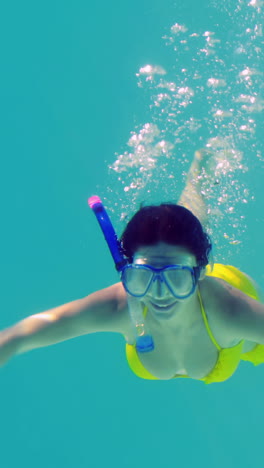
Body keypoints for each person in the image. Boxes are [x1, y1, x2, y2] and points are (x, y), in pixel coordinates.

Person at [1, 150, 264, 384]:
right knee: (179, 234)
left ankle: (197, 179)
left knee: (189, 223)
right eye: (143, 276)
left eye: (177, 277)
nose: (160, 294)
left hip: (230, 298)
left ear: (199, 272)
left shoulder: (232, 312)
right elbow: (20, 336)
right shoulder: (121, 304)